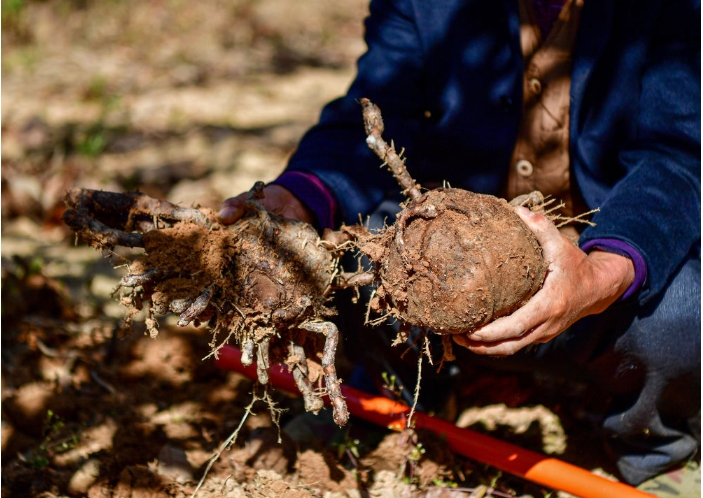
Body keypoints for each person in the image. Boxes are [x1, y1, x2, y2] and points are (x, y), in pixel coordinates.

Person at [218, 0, 701, 487]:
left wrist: (601, 274)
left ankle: (654, 448)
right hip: (446, 250)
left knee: (681, 315)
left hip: (602, 248)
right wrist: (297, 195)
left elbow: (679, 157)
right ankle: (403, 392)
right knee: (352, 253)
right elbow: (372, 112)